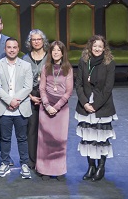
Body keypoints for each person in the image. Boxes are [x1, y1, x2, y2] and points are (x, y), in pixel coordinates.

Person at [75, 35, 116, 182]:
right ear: (90, 47)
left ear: (104, 48)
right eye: (94, 46)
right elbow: (78, 84)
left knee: (101, 138)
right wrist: (85, 103)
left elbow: (108, 88)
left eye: (100, 46)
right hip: (85, 104)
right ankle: (91, 166)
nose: (97, 49)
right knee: (87, 137)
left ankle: (101, 167)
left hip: (102, 105)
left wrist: (95, 105)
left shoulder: (109, 63)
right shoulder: (83, 61)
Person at [0, 38, 34, 179]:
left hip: (21, 107)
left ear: (18, 49)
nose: (11, 50)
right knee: (5, 138)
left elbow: (28, 87)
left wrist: (16, 101)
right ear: (5, 49)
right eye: (9, 47)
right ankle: (5, 162)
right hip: (4, 108)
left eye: (14, 47)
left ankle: (24, 164)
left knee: (22, 138)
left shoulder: (26, 65)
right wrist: (9, 101)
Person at [36, 41, 73, 181]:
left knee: (59, 140)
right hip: (46, 107)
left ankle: (58, 171)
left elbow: (69, 91)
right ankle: (44, 170)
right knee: (45, 139)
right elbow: (42, 88)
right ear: (50, 53)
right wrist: (46, 105)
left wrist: (56, 107)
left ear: (63, 53)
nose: (56, 52)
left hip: (61, 110)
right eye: (53, 50)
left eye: (59, 50)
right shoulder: (46, 67)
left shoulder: (68, 68)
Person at [23, 29, 49, 171]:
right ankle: (32, 160)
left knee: (46, 130)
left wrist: (45, 98)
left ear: (43, 41)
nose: (37, 42)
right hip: (30, 95)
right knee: (31, 130)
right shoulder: (25, 59)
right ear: (30, 42)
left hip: (48, 95)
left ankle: (45, 160)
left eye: (39, 39)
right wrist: (31, 97)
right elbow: (20, 82)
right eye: (34, 39)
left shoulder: (50, 57)